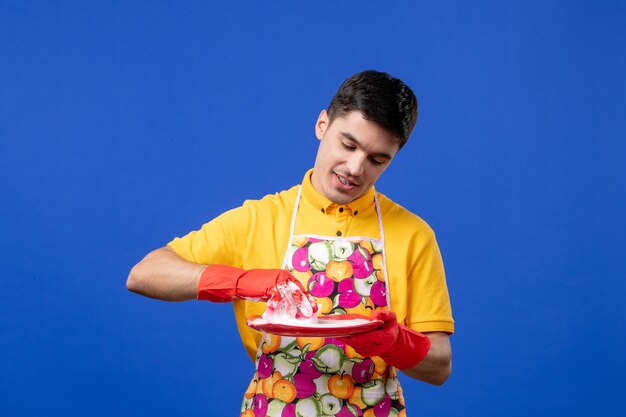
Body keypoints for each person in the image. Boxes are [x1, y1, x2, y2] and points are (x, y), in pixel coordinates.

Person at [127, 70, 454, 416]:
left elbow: (440, 366)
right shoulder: (260, 218)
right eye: (348, 144)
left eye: (377, 159)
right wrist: (237, 282)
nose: (356, 168)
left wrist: (396, 343)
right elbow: (144, 274)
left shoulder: (414, 235)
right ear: (322, 125)